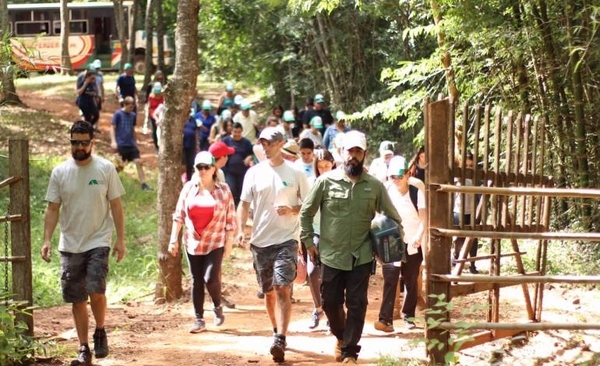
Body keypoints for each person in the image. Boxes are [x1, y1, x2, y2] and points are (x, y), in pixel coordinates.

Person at [299, 130, 402, 364]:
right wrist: (307, 242)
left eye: (358, 151)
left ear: (365, 154)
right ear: (341, 153)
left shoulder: (374, 186)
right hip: (331, 255)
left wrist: (391, 246)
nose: (353, 156)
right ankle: (341, 336)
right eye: (349, 151)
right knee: (330, 302)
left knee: (357, 304)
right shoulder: (325, 181)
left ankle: (349, 352)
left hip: (362, 256)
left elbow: (392, 217)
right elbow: (306, 212)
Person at [41, 121, 126, 366]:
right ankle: (83, 348)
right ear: (70, 142)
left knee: (96, 290)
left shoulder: (105, 169)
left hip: (98, 240)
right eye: (75, 142)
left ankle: (100, 330)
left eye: (83, 142)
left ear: (92, 143)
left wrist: (120, 239)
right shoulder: (60, 172)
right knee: (77, 298)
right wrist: (47, 238)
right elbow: (52, 208)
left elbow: (116, 206)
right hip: (70, 243)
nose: (79, 146)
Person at [236, 127, 310, 363]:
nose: (265, 147)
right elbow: (244, 204)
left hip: (287, 239)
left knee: (282, 288)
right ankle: (275, 330)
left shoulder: (296, 173)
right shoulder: (254, 173)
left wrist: (292, 210)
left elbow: (308, 204)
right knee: (268, 293)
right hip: (260, 241)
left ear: (281, 144)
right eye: (262, 143)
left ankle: (281, 338)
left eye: (269, 143)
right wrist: (240, 230)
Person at [168, 151, 237, 333]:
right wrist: (173, 239)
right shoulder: (188, 189)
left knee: (210, 278)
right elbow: (179, 215)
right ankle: (199, 319)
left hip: (215, 241)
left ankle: (217, 306)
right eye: (200, 167)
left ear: (214, 168)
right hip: (193, 241)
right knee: (196, 280)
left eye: (207, 167)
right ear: (195, 169)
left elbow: (231, 218)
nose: (203, 170)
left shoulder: (223, 190)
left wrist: (229, 241)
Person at [375, 156, 426, 333]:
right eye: (392, 177)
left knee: (410, 280)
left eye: (399, 176)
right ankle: (385, 319)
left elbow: (423, 219)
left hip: (412, 241)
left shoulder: (416, 192)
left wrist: (418, 237)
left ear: (407, 174)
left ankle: (408, 317)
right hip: (392, 240)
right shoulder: (387, 191)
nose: (396, 180)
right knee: (390, 278)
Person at [304, 148, 336, 329]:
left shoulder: (341, 182)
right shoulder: (311, 183)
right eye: (320, 167)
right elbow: (305, 211)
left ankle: (333, 313)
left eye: (327, 166)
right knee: (312, 272)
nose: (324, 169)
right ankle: (318, 308)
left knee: (331, 277)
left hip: (335, 236)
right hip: (315, 233)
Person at [110, 96, 152, 191]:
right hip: (121, 144)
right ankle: (110, 180)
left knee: (138, 162)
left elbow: (132, 129)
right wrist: (113, 141)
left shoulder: (133, 115)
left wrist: (135, 142)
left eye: (133, 107)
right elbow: (112, 128)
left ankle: (144, 184)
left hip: (131, 144)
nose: (131, 109)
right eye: (130, 107)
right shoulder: (118, 114)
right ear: (125, 104)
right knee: (120, 166)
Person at [453, 152, 479, 274]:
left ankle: (473, 264)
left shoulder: (476, 177)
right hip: (459, 210)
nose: (468, 167)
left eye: (470, 165)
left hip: (472, 211)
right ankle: (458, 261)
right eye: (466, 165)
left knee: (473, 239)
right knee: (459, 237)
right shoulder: (457, 176)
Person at [222, 122, 254, 206]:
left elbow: (252, 153)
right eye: (235, 132)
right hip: (229, 171)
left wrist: (249, 157)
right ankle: (230, 206)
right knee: (231, 188)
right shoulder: (226, 141)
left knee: (241, 191)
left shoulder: (246, 142)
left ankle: (238, 207)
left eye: (239, 132)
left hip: (242, 171)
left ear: (242, 131)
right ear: (231, 131)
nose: (236, 134)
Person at [75, 66, 100, 131]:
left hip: (91, 100)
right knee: (87, 117)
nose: (93, 76)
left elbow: (95, 89)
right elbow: (79, 92)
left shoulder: (93, 79)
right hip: (83, 100)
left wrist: (95, 94)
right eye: (91, 74)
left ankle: (88, 128)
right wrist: (86, 83)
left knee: (96, 115)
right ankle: (87, 131)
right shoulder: (81, 78)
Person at [146, 82, 164, 153]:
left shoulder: (163, 96)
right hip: (153, 114)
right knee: (155, 130)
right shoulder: (151, 96)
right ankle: (157, 147)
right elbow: (149, 107)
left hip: (161, 114)